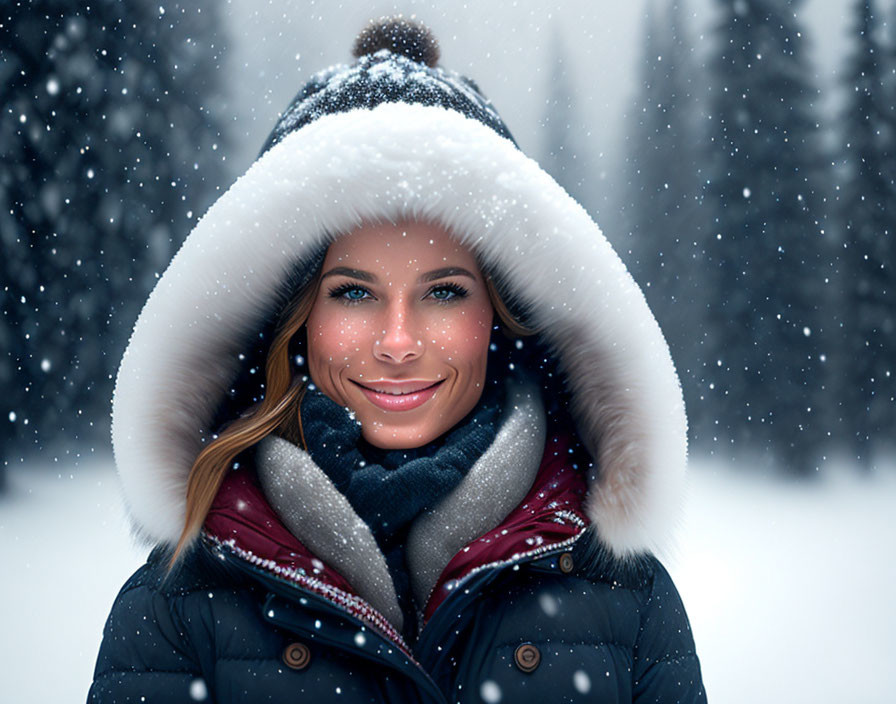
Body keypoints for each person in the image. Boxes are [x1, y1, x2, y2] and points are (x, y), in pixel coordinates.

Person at [89, 16, 706, 704]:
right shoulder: (177, 610)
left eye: (444, 291)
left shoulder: (628, 599)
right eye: (353, 292)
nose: (398, 341)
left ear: (499, 315)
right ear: (294, 319)